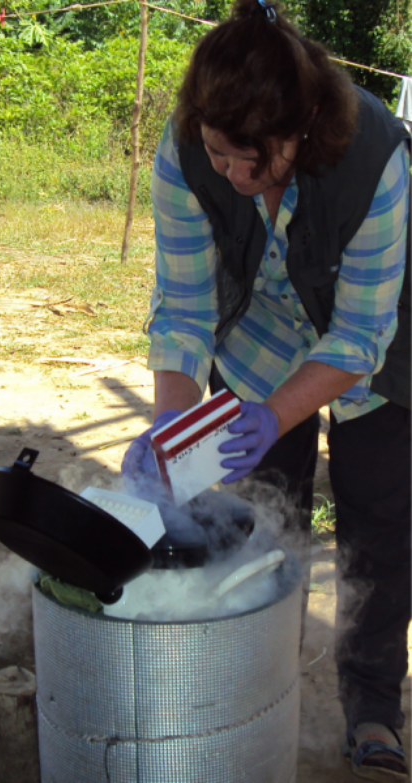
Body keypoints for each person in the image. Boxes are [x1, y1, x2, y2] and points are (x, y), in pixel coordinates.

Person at [122, 1, 411, 779]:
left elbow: (359, 335)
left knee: (379, 525)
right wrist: (170, 428)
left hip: (375, 359)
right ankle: (258, 688)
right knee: (253, 522)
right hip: (256, 344)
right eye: (219, 156)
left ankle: (375, 708)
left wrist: (280, 409)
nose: (235, 177)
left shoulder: (377, 155)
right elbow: (183, 306)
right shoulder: (185, 154)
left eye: (255, 161)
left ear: (303, 126)